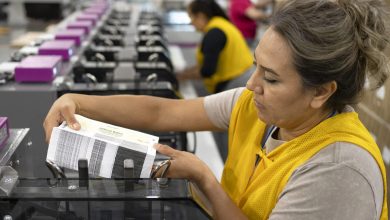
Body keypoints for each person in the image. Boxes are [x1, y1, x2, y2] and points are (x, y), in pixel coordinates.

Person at [43, 0, 389, 219]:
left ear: (321, 92)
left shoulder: (339, 170)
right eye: (256, 66)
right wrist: (79, 101)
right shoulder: (255, 106)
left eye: (270, 78)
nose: (252, 84)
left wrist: (204, 178)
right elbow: (161, 113)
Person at [177, 0, 254, 94]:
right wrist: (185, 72)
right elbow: (205, 63)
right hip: (242, 77)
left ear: (200, 15)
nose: (191, 23)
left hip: (236, 83)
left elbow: (207, 70)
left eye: (191, 17)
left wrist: (182, 76)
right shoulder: (220, 24)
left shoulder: (215, 33)